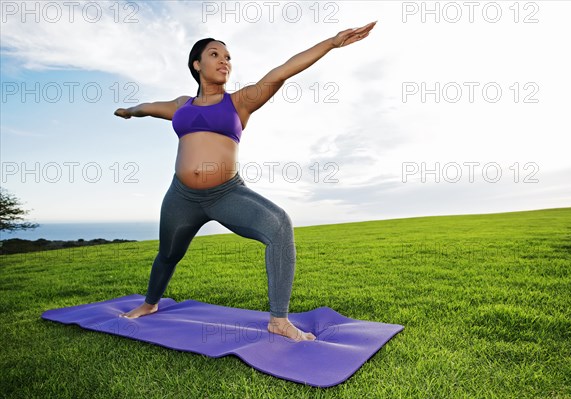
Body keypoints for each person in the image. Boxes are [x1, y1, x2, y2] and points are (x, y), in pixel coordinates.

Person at [114, 21, 377, 342]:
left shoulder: (240, 101)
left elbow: (282, 71)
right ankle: (150, 303)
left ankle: (279, 320)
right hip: (181, 198)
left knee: (279, 225)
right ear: (197, 65)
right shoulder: (181, 105)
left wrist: (332, 43)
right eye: (215, 54)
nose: (225, 61)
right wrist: (129, 111)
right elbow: (150, 108)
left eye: (228, 57)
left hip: (226, 194)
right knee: (168, 255)